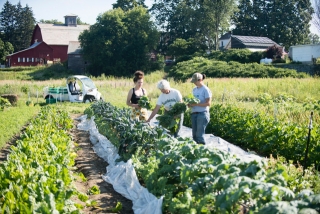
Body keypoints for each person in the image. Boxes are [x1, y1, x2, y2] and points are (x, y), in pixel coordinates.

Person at [188, 73, 212, 145]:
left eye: (195, 81)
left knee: (199, 136)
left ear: (200, 80)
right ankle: (195, 152)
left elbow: (208, 103)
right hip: (194, 113)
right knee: (194, 136)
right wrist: (190, 104)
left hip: (202, 114)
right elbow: (192, 100)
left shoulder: (205, 90)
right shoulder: (194, 90)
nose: (194, 83)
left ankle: (202, 150)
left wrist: (196, 104)